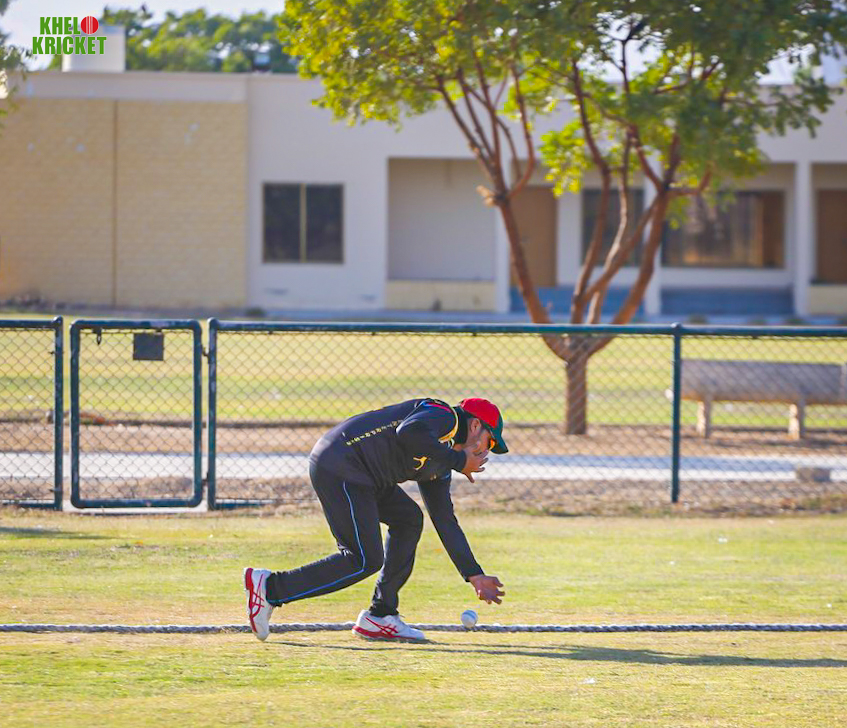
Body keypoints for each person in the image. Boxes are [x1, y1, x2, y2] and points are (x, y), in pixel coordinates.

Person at [244, 397, 508, 642]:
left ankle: (380, 615)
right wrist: (458, 460)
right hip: (341, 464)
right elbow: (409, 432)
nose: (486, 453)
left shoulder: (441, 462)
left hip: (365, 477)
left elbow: (444, 519)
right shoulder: (445, 416)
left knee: (408, 519)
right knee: (363, 559)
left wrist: (473, 574)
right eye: (489, 443)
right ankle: (270, 588)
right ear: (475, 425)